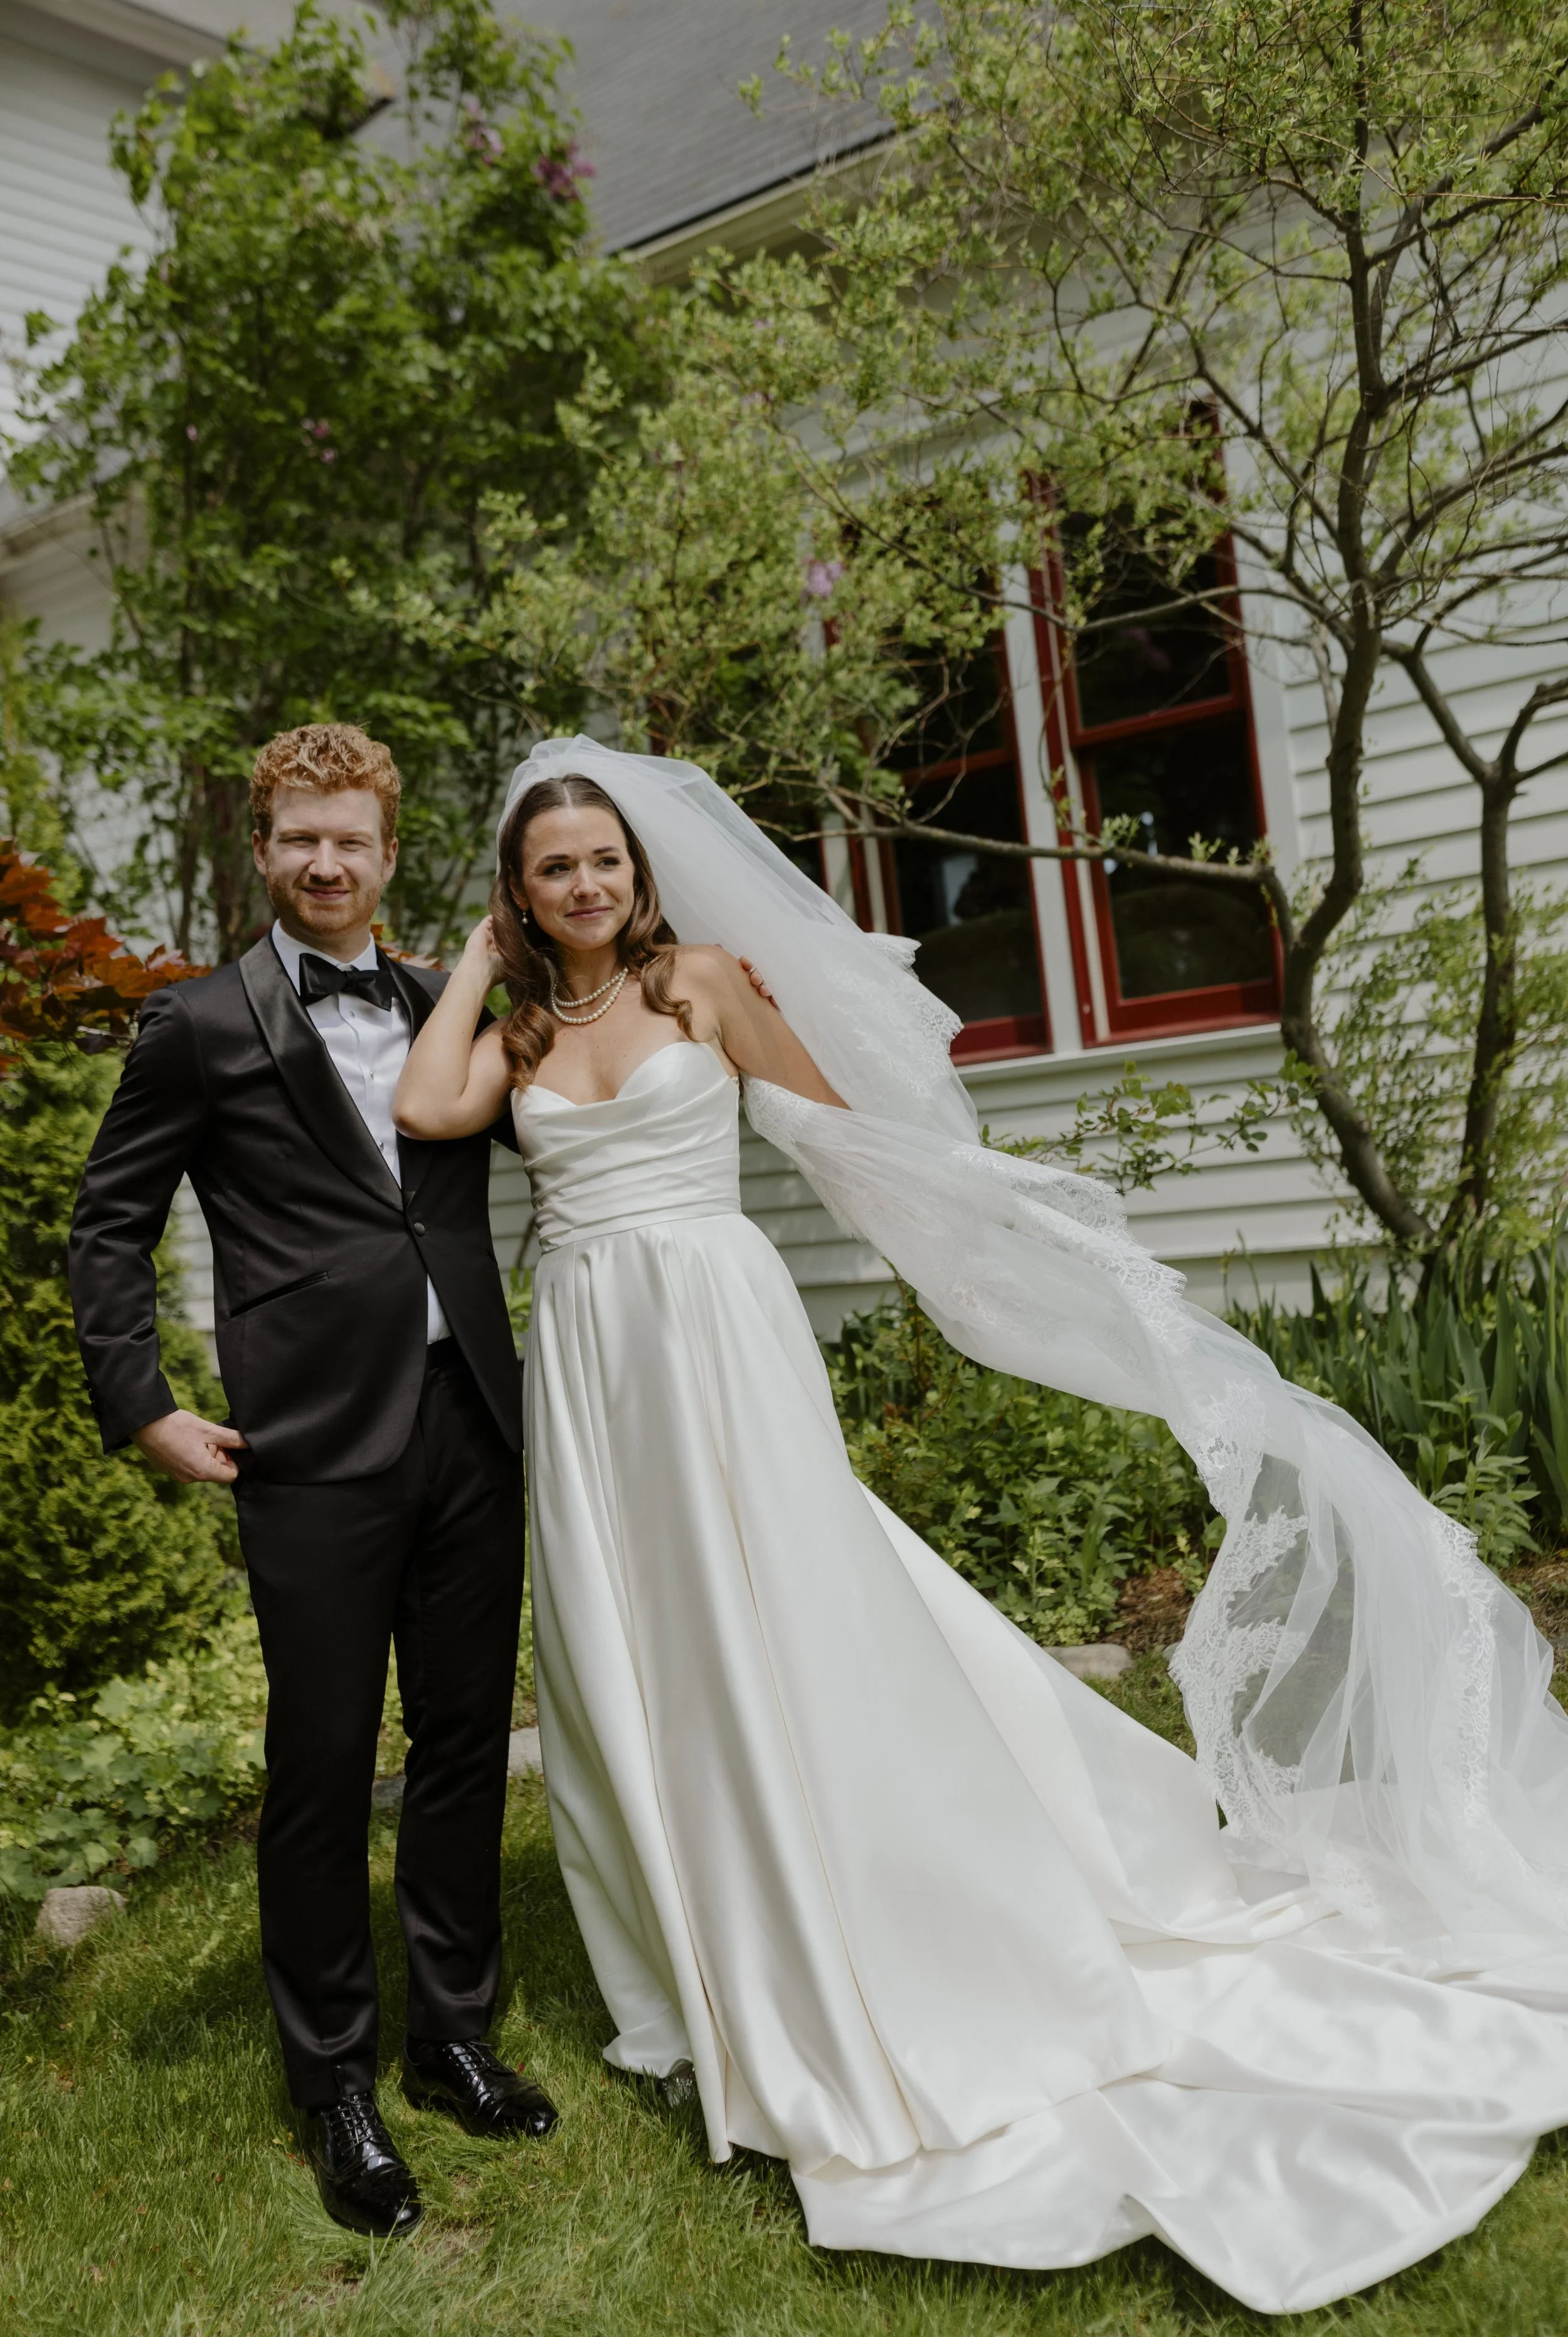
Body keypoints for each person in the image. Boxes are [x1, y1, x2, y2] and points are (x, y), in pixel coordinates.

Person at [394, 735, 1568, 2316]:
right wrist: (477, 958)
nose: (587, 883)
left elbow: (834, 1129)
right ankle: (701, 1946)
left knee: (789, 1614)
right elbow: (426, 1098)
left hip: (715, 1329)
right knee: (633, 1653)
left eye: (605, 858)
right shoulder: (526, 1022)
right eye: (554, 868)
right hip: (595, 1355)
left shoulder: (707, 986)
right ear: (521, 890)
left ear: (640, 869)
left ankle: (868, 1888)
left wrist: (996, 1236)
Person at [69, 723, 558, 2242]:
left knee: (469, 1735)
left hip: (473, 1416)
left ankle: (453, 2034)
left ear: (389, 852)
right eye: (299, 839)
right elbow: (108, 1224)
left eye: (351, 838)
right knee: (325, 1759)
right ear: (263, 848)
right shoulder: (200, 1023)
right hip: (310, 1445)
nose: (326, 862)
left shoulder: (451, 1002)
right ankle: (335, 2080)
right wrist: (142, 1403)